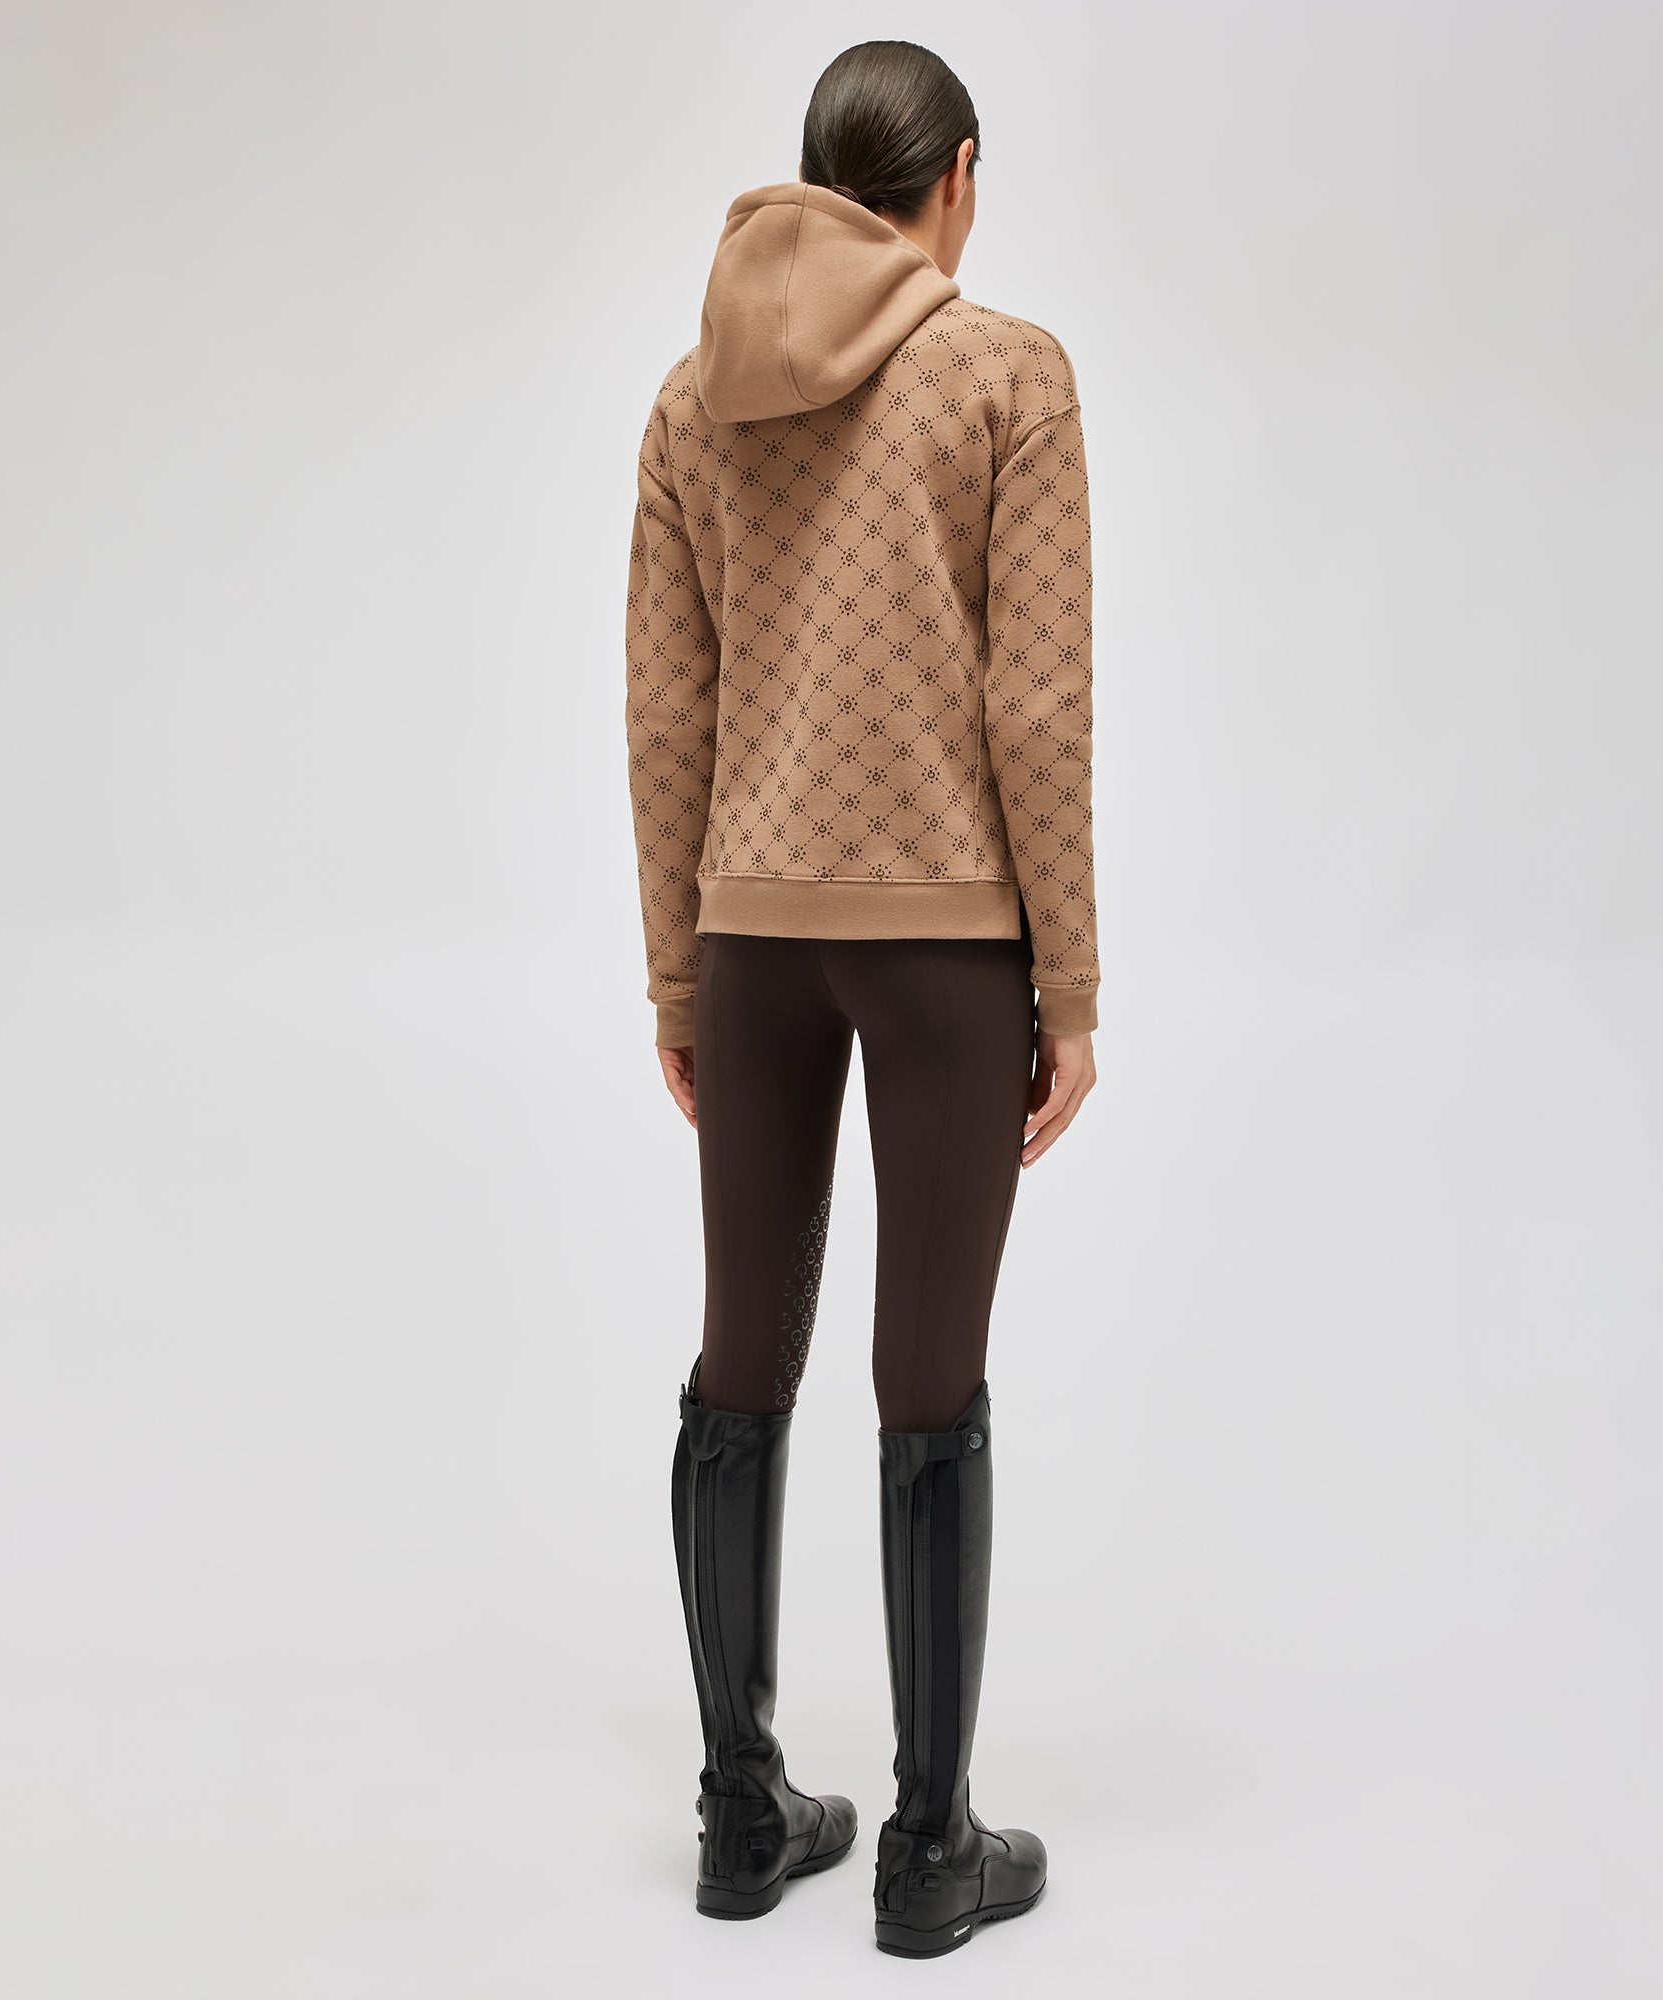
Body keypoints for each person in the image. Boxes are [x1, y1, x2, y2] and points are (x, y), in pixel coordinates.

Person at [623, 40, 1100, 1958]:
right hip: (943, 949)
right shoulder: (1008, 375)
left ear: (822, 179)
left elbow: (666, 710)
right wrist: (1070, 981)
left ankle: (743, 1817)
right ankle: (927, 1849)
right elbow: (1036, 708)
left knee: (739, 1357)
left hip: (749, 940)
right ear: (954, 176)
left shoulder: (692, 398)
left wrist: (678, 969)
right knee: (930, 1377)